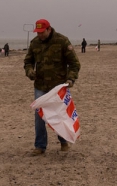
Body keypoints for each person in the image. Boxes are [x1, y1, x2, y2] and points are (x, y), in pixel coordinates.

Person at [24, 19, 81, 155]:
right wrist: (30, 71)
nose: (40, 35)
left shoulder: (62, 41)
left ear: (49, 29)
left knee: (59, 114)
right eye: (37, 33)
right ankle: (40, 146)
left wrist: (71, 79)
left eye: (42, 32)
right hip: (40, 85)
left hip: (58, 88)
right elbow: (28, 62)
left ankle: (63, 141)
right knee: (39, 115)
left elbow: (74, 63)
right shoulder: (35, 43)